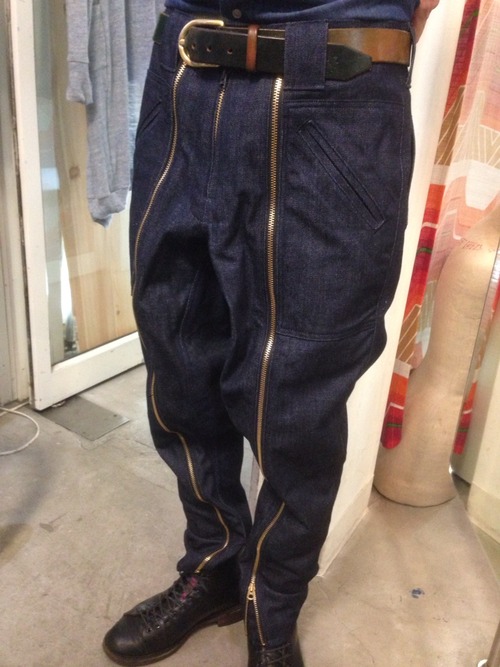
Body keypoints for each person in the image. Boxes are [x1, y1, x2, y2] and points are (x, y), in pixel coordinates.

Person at [103, 1, 439, 665]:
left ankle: (272, 608)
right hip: (186, 69)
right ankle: (214, 566)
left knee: (297, 399)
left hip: (337, 83)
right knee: (178, 354)